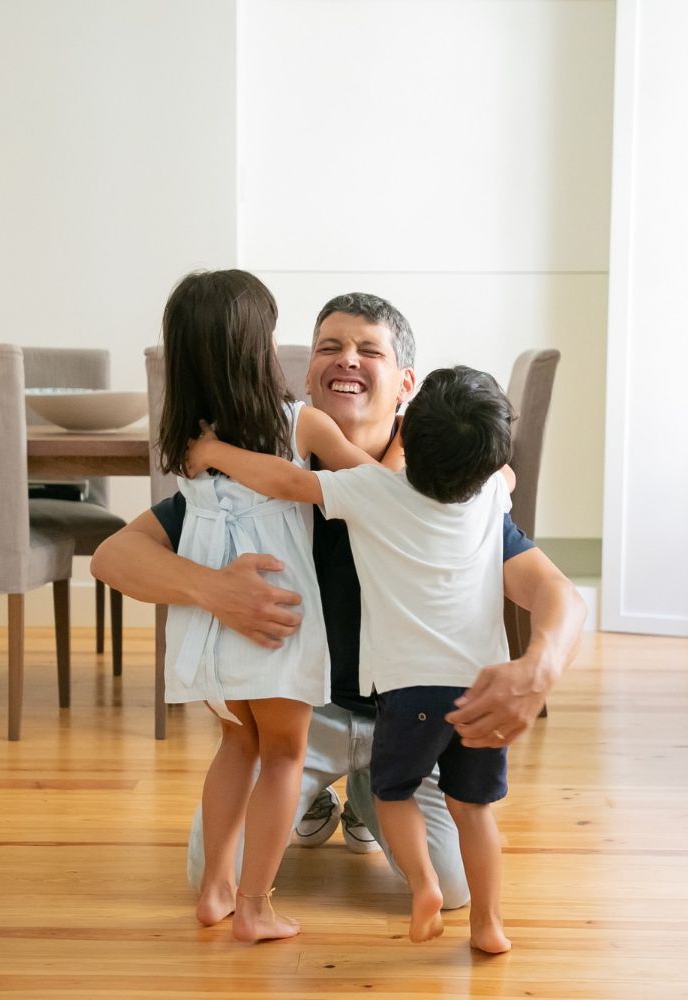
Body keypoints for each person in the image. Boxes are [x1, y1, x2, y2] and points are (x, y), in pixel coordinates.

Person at [91, 291, 586, 913]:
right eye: (330, 346)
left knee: (454, 890)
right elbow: (113, 557)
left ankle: (368, 795)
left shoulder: (448, 487)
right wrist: (215, 589)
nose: (346, 359)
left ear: (405, 382)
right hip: (306, 714)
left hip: (408, 715)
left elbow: (556, 593)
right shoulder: (262, 477)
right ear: (307, 373)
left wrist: (539, 665)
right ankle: (320, 797)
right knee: (206, 873)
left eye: (368, 349)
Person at [186, 365, 521, 952]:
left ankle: (421, 885)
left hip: (406, 694)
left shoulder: (376, 493)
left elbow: (288, 484)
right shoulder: (491, 496)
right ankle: (490, 926)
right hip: (480, 692)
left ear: (406, 435)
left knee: (393, 793)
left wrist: (213, 450)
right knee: (475, 811)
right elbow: (504, 476)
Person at [154, 270, 389, 943]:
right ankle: (254, 905)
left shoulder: (186, 442)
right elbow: (354, 482)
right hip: (273, 609)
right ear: (255, 347)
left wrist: (218, 452)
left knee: (237, 740)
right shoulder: (296, 423)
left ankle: (215, 891)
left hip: (209, 612)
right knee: (283, 754)